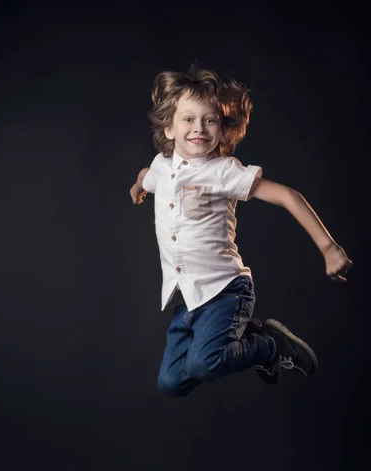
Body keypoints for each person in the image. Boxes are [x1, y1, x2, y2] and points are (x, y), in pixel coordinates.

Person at [130, 66, 352, 396]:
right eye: (188, 119)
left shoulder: (223, 172)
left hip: (226, 291)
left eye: (210, 120)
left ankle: (270, 347)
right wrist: (138, 187)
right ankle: (245, 334)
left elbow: (288, 196)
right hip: (189, 299)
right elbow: (147, 173)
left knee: (204, 364)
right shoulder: (162, 168)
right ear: (169, 127)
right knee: (172, 383)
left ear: (223, 129)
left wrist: (329, 248)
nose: (199, 128)